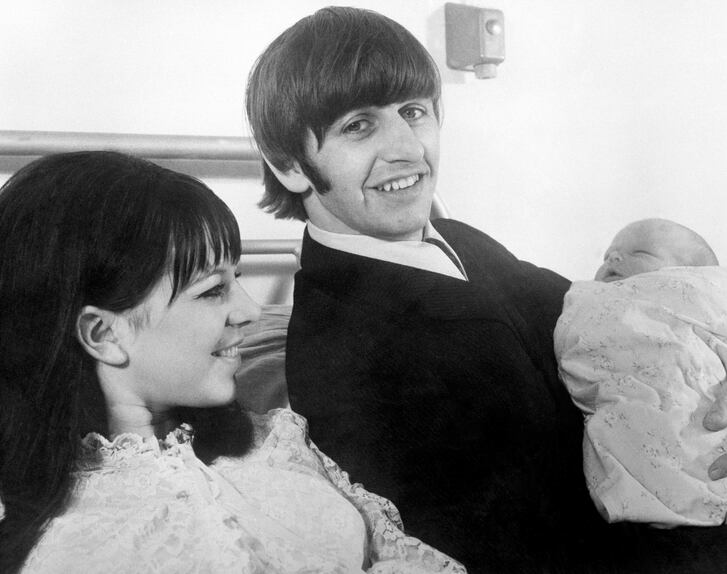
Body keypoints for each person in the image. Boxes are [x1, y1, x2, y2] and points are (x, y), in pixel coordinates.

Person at [245, 7, 727, 573]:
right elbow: (508, 558)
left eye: (414, 112)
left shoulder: (456, 240)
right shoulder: (342, 357)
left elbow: (610, 316)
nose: (407, 148)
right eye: (359, 126)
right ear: (289, 164)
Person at [0, 151, 465, 574]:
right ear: (104, 334)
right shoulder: (70, 543)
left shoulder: (277, 441)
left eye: (236, 277)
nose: (251, 310)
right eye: (212, 290)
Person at [555, 218, 727, 529]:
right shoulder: (588, 301)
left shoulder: (697, 306)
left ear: (691, 277)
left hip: (701, 424)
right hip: (630, 429)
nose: (613, 258)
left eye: (640, 253)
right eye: (608, 255)